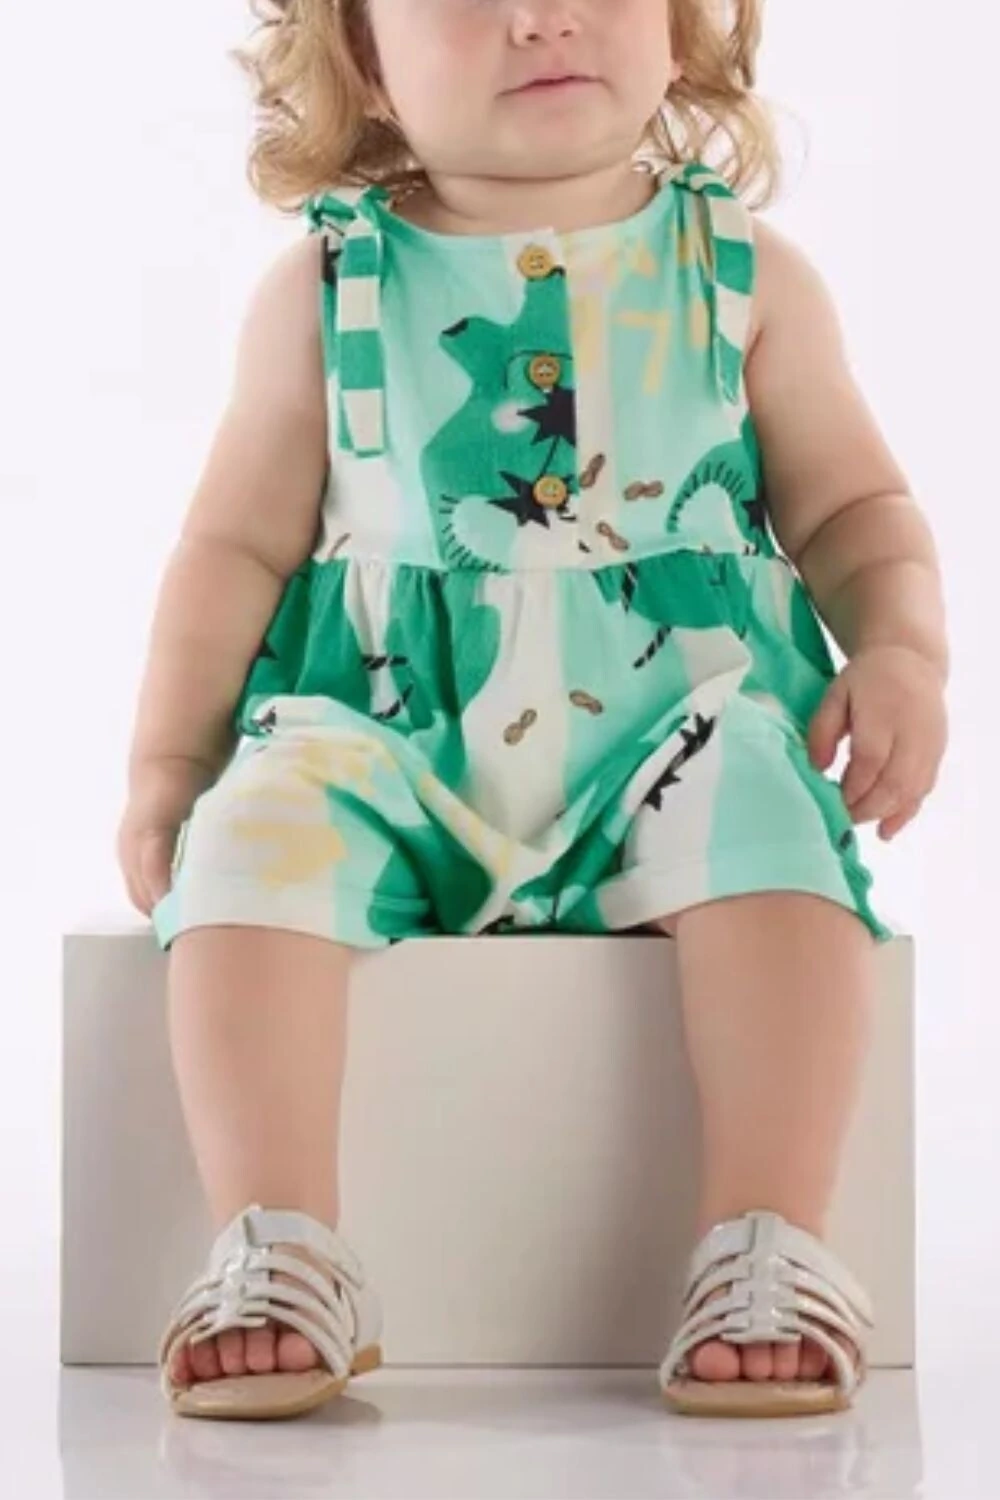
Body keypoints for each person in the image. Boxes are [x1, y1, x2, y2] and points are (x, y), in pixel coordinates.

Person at [117, 0, 949, 1422]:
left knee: (777, 840)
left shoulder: (740, 272)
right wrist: (170, 761)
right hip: (384, 732)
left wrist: (904, 651)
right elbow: (235, 548)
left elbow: (856, 509)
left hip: (677, 723)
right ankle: (280, 1241)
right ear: (363, 55)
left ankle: (766, 1236)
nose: (543, 16)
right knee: (248, 848)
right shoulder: (331, 287)